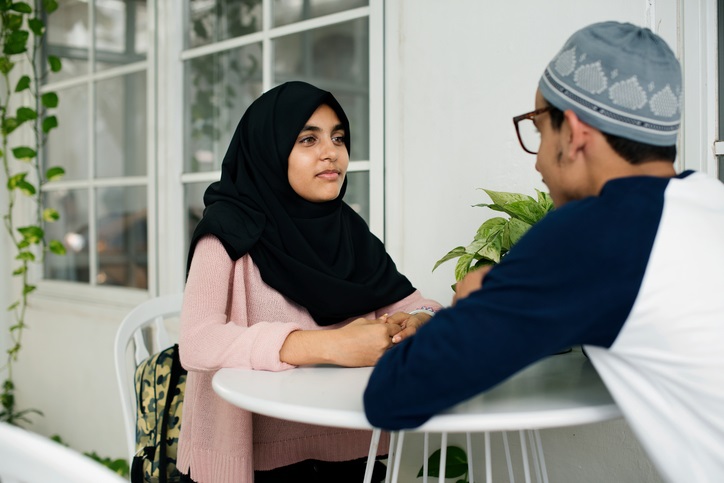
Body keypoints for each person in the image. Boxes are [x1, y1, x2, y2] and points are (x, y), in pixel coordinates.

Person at [364, 21, 724, 482]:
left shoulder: (595, 232)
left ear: (572, 132)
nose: (535, 160)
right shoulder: (707, 201)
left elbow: (393, 394)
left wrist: (478, 300)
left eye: (537, 128)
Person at [177, 81, 442, 483]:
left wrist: (418, 324)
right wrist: (330, 346)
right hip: (253, 462)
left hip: (353, 448)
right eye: (307, 139)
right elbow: (197, 341)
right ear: (269, 150)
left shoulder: (348, 232)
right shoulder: (227, 232)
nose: (331, 151)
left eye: (338, 137)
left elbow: (417, 304)